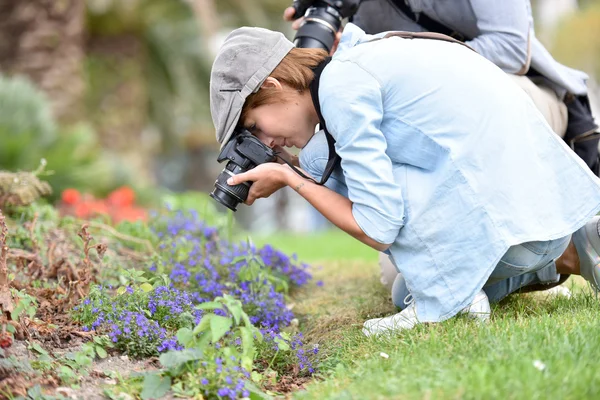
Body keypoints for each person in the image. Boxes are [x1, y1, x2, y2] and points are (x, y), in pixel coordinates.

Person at [209, 24, 600, 336]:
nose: (265, 143)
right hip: (540, 209)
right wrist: (292, 169)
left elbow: (379, 227)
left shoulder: (341, 93)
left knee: (320, 163)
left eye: (254, 128)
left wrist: (291, 177)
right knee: (404, 292)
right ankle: (578, 246)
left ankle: (462, 300)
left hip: (513, 222)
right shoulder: (358, 58)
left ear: (272, 87)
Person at [284, 0, 600, 294]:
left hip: (519, 92)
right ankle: (568, 251)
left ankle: (535, 233)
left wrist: (411, 61)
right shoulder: (363, 4)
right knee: (404, 279)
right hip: (435, 128)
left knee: (438, 268)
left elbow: (511, 49)